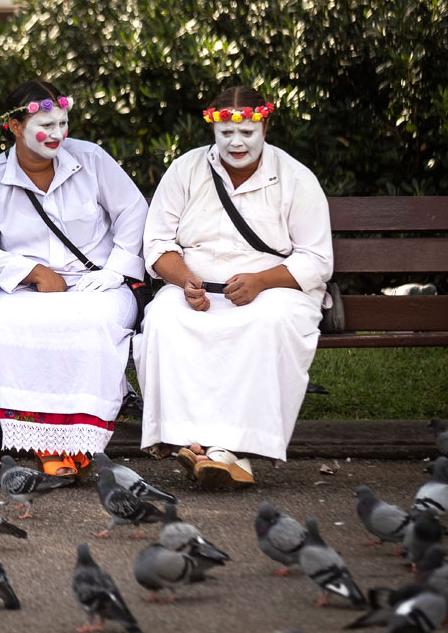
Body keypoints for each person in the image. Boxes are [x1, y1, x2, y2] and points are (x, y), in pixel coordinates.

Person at [134, 86, 333, 488]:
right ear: (214, 129)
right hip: (197, 287)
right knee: (165, 319)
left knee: (265, 322)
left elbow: (317, 259)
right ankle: (191, 441)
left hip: (277, 289)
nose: (236, 142)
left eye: (246, 132)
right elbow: (156, 244)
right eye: (226, 132)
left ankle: (230, 449)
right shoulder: (186, 169)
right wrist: (184, 280)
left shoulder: (295, 177)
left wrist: (262, 281)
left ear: (265, 124)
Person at [0, 80, 148, 478]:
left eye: (63, 123)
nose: (58, 134)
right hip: (25, 290)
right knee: (9, 325)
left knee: (89, 322)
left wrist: (116, 269)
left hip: (97, 283)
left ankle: (83, 440)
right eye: (46, 125)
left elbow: (133, 211)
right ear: (14, 126)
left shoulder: (92, 159)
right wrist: (31, 272)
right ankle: (47, 444)